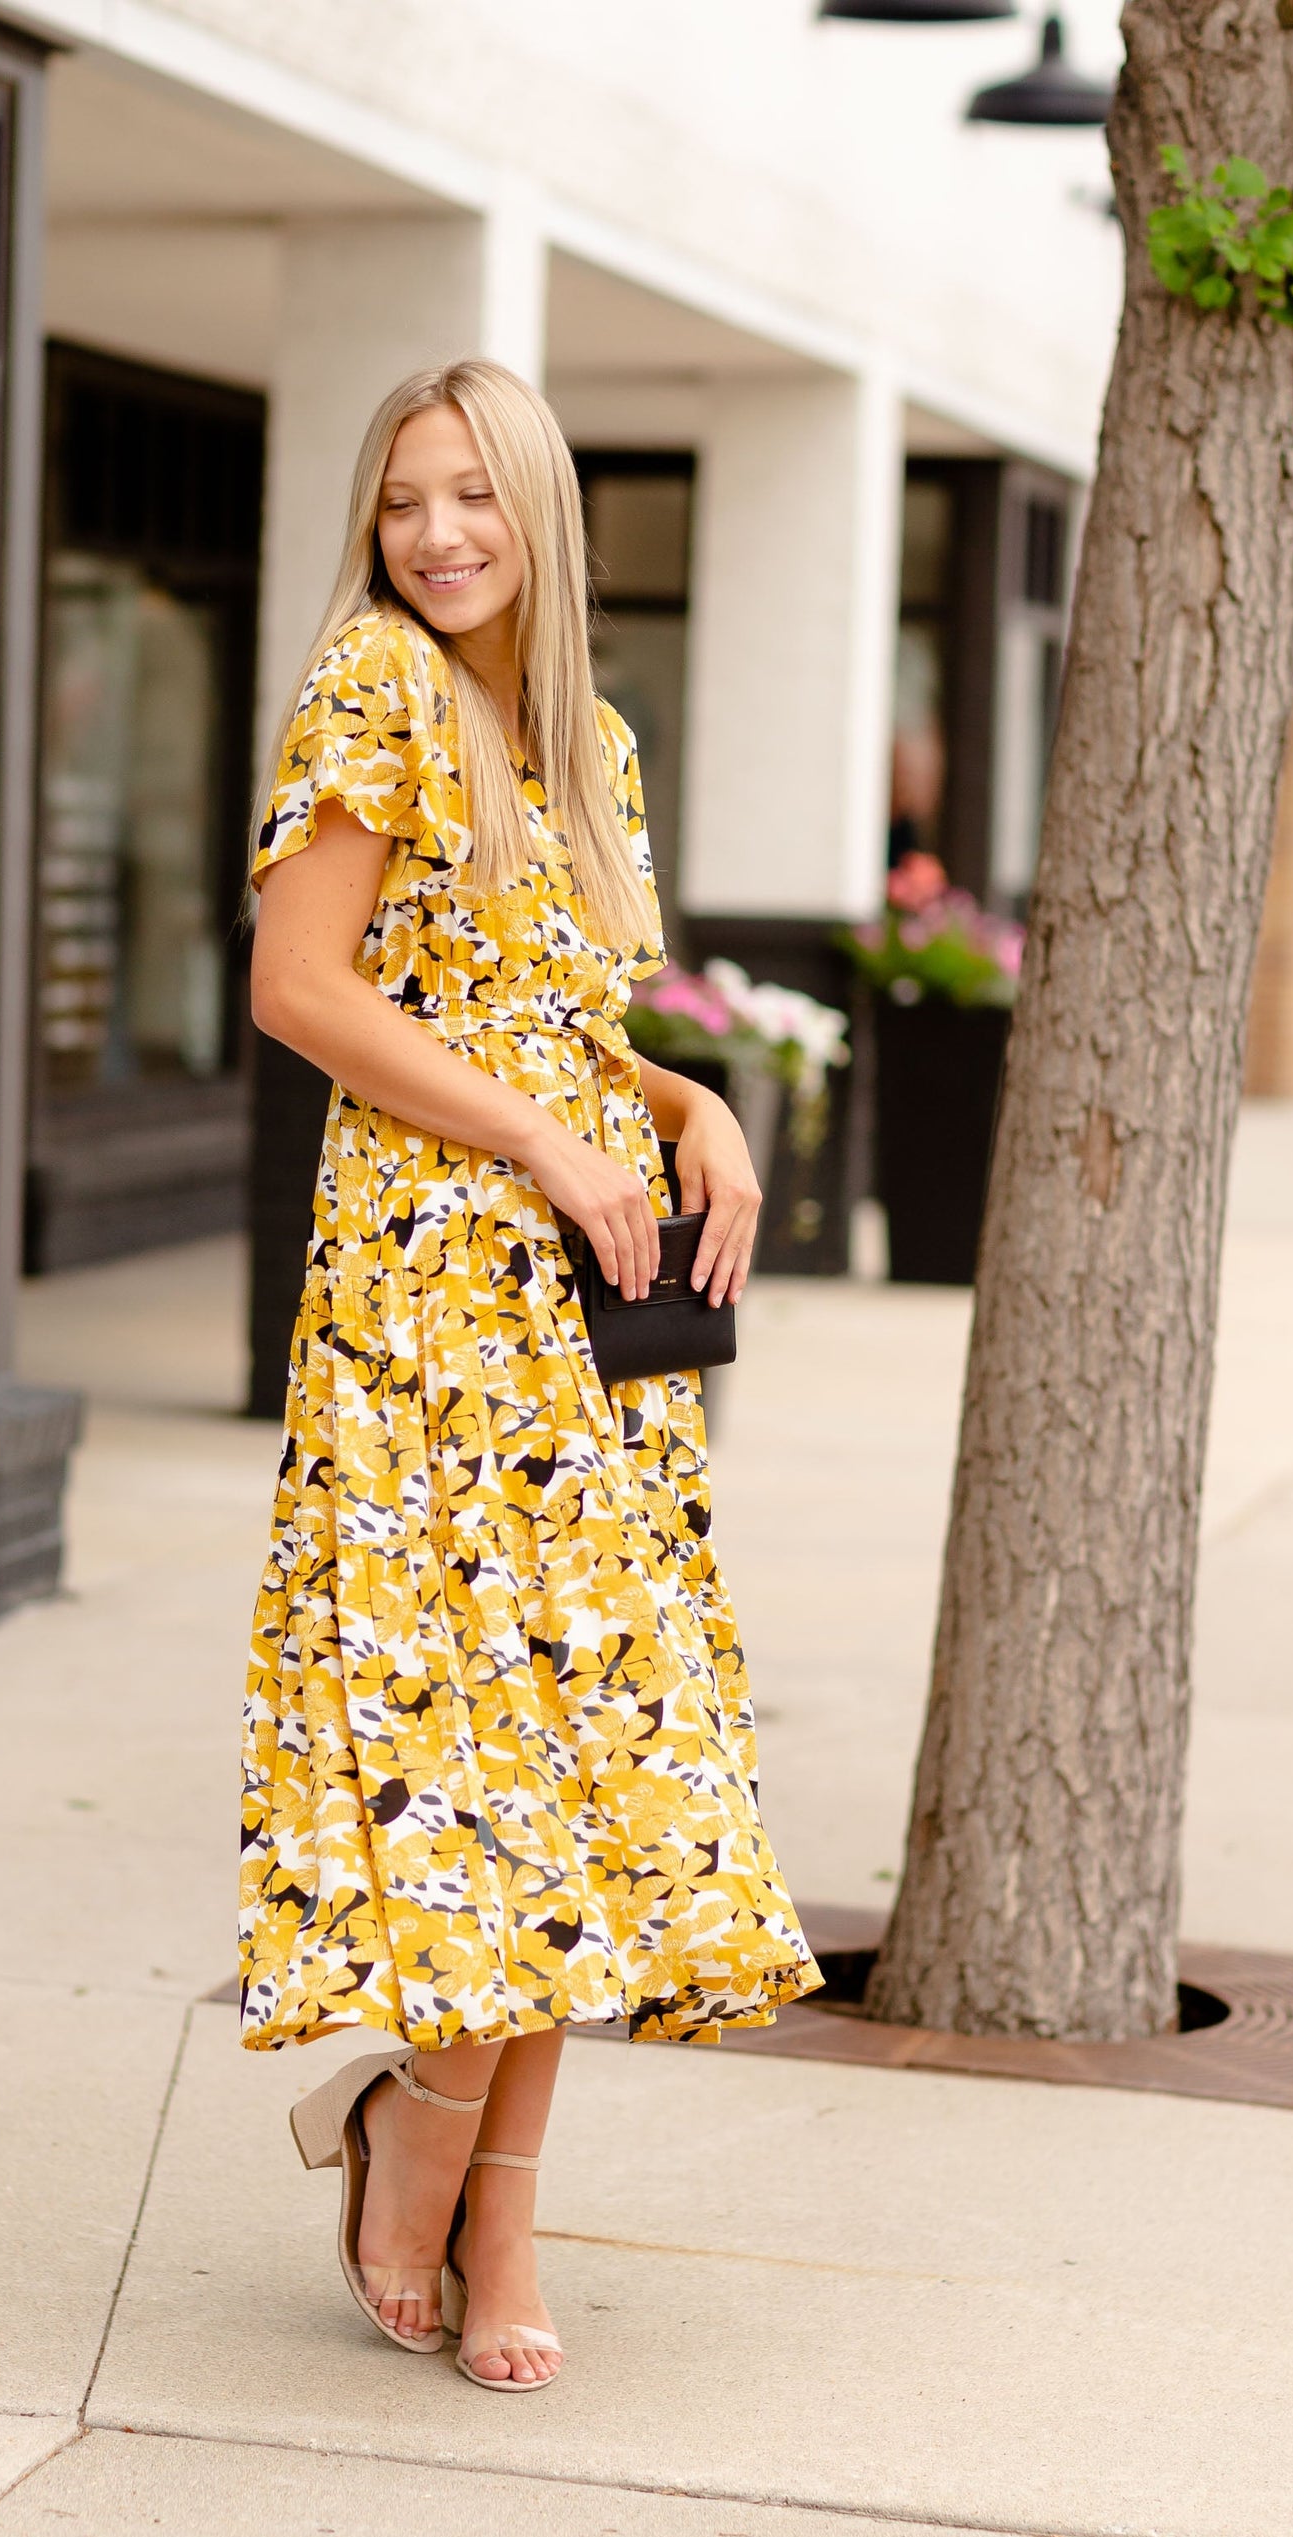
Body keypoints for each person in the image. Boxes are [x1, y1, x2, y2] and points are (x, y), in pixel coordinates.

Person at [242, 358, 820, 2394]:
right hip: (425, 1311)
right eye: (403, 500)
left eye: (471, 495)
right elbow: (298, 988)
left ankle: (470, 2178)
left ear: (542, 509)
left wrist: (686, 1107)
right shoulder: (369, 691)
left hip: (583, 1310)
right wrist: (548, 1146)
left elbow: (560, 1013)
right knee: (472, 1756)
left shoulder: (584, 738)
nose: (436, 536)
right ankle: (449, 2169)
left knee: (574, 1767)